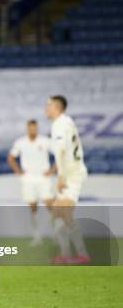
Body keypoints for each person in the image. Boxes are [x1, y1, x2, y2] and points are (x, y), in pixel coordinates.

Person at [45, 95, 90, 264]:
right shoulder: (68, 122)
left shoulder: (59, 124)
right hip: (73, 171)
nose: (46, 109)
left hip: (71, 175)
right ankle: (66, 254)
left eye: (48, 105)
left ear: (57, 107)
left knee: (64, 214)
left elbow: (61, 150)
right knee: (58, 215)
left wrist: (61, 176)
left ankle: (80, 254)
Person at [8, 120, 56, 246]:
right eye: (31, 128)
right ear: (28, 129)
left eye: (35, 128)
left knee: (50, 205)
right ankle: (37, 236)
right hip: (28, 178)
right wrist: (19, 172)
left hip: (43, 177)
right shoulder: (20, 142)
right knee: (33, 207)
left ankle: (56, 235)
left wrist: (52, 171)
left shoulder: (45, 141)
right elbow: (11, 158)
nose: (33, 130)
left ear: (37, 128)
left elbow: (59, 154)